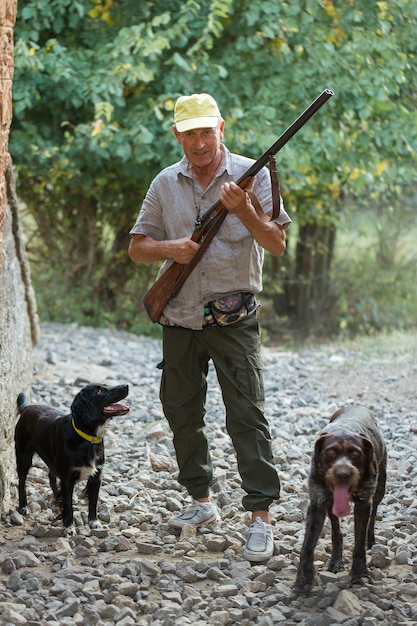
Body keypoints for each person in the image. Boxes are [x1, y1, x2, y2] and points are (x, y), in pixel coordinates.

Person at [128, 93, 291, 562]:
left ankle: (260, 516)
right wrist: (171, 249)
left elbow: (276, 244)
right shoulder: (165, 184)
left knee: (246, 414)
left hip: (233, 317)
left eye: (207, 131)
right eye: (189, 133)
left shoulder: (251, 175)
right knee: (180, 410)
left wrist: (243, 210)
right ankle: (201, 501)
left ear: (222, 128)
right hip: (179, 316)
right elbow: (138, 247)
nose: (199, 143)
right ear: (177, 135)